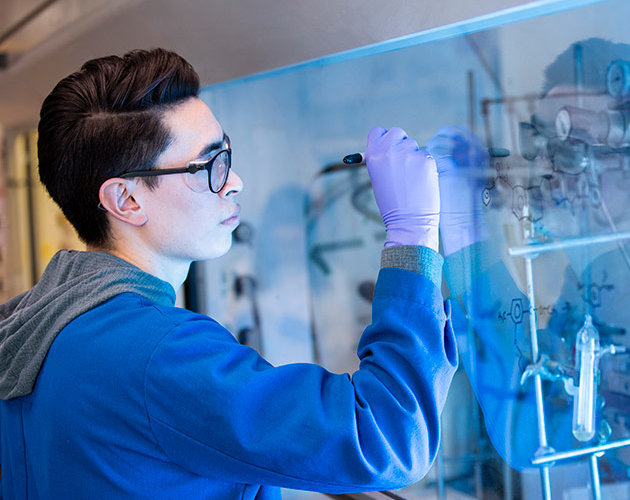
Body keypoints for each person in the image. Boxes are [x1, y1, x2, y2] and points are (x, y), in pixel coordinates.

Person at [0, 48, 457, 499]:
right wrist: (412, 239)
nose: (233, 180)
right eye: (209, 165)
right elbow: (388, 438)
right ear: (127, 200)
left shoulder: (36, 320)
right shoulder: (156, 355)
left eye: (228, 155)